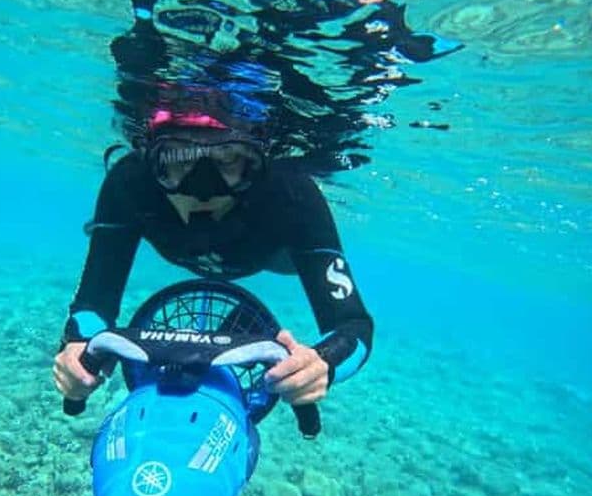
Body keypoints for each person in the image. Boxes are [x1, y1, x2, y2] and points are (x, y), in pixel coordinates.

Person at [53, 100, 374, 410]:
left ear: (255, 165)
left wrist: (323, 364)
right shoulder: (129, 183)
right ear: (152, 164)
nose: (203, 189)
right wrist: (78, 347)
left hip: (278, 255)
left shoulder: (292, 195)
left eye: (228, 161)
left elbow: (352, 325)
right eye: (178, 159)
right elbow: (93, 304)